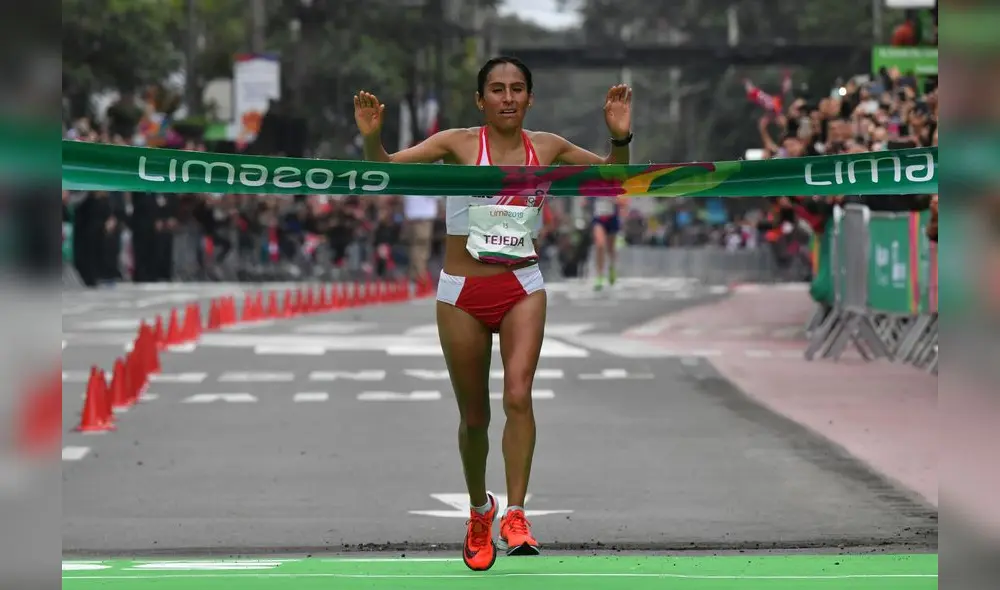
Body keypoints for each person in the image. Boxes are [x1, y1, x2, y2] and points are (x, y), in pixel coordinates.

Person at [354, 56, 632, 572]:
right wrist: (372, 139)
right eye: (498, 89)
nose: (508, 97)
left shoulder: (547, 148)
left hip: (522, 286)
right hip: (461, 293)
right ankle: (481, 510)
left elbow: (613, 178)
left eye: (517, 89)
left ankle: (517, 514)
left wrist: (620, 137)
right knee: (475, 417)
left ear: (530, 98)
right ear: (481, 100)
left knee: (519, 396)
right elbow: (386, 168)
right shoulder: (457, 144)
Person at [589, 194, 628, 290]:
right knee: (600, 245)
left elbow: (623, 201)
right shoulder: (595, 187)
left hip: (612, 218)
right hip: (598, 219)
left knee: (610, 249)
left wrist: (618, 200)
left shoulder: (614, 186)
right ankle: (599, 276)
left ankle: (612, 267)